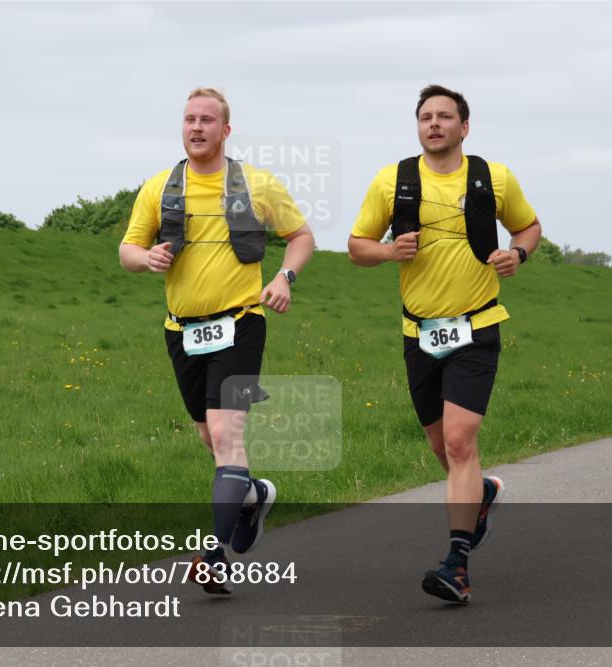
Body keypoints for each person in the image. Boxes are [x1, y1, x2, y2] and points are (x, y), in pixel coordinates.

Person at [348, 84, 541, 603]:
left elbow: (527, 228)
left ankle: (456, 564)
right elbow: (356, 247)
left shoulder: (492, 177)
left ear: (464, 126)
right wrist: (388, 252)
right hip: (420, 332)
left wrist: (517, 255)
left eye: (444, 116)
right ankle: (481, 495)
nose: (433, 124)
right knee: (441, 446)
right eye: (425, 117)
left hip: (477, 325)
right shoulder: (393, 180)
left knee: (459, 440)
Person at [120, 87, 314, 595]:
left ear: (226, 131)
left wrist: (283, 279)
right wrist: (147, 259)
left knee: (228, 437)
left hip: (241, 323)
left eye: (208, 120)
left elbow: (301, 237)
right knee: (210, 439)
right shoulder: (160, 187)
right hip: (182, 331)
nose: (197, 127)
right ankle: (253, 497)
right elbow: (127, 250)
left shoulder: (256, 184)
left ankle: (213, 553)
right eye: (189, 119)